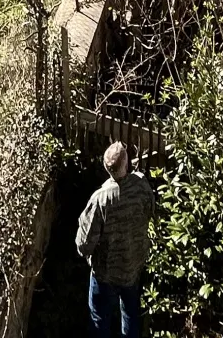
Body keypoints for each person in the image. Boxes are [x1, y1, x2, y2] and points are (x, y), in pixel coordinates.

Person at [74, 139, 155, 338]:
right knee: (130, 315)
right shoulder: (141, 186)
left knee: (100, 320)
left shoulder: (100, 200)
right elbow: (151, 211)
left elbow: (83, 245)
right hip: (133, 266)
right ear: (126, 163)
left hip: (105, 274)